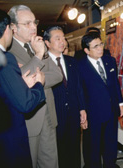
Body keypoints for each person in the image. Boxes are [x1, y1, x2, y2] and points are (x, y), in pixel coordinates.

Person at [8, 5, 62, 168]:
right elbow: (19, 83)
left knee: (50, 163)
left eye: (35, 22)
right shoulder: (8, 51)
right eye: (27, 23)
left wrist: (36, 77)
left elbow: (58, 75)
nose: (34, 27)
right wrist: (38, 55)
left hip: (48, 115)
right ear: (13, 27)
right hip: (28, 121)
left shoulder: (36, 44)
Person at [0, 9, 46, 168]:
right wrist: (39, 84)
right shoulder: (5, 57)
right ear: (7, 30)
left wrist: (19, 83)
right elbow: (25, 103)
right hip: (9, 139)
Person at [78, 29, 123, 168]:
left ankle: (110, 164)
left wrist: (120, 103)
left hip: (111, 110)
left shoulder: (110, 61)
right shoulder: (79, 66)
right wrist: (82, 111)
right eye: (95, 46)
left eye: (101, 44)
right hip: (93, 113)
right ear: (87, 50)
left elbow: (115, 83)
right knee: (93, 145)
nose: (100, 49)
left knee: (110, 141)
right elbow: (79, 91)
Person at [43, 26, 88, 168]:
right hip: (54, 115)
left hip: (73, 114)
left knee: (74, 150)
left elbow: (78, 88)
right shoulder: (43, 64)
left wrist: (82, 109)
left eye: (63, 38)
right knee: (57, 152)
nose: (63, 41)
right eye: (57, 38)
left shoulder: (72, 61)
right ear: (47, 43)